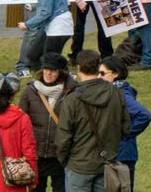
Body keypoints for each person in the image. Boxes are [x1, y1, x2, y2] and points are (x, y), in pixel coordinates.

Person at [54, 49, 130, 192]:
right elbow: (125, 127)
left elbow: (63, 137)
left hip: (79, 165)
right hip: (106, 162)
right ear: (97, 67)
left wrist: (66, 160)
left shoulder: (72, 99)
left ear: (78, 67)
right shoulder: (116, 93)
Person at [18, 53, 73, 192]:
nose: (48, 73)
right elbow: (21, 120)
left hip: (59, 153)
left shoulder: (71, 92)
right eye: (45, 69)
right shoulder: (30, 90)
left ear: (60, 72)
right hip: (36, 153)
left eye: (53, 70)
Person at [96, 56, 150, 189]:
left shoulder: (121, 95)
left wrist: (125, 133)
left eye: (103, 73)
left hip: (122, 155)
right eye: (98, 72)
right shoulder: (115, 92)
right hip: (121, 153)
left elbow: (144, 115)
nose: (98, 76)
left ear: (115, 74)